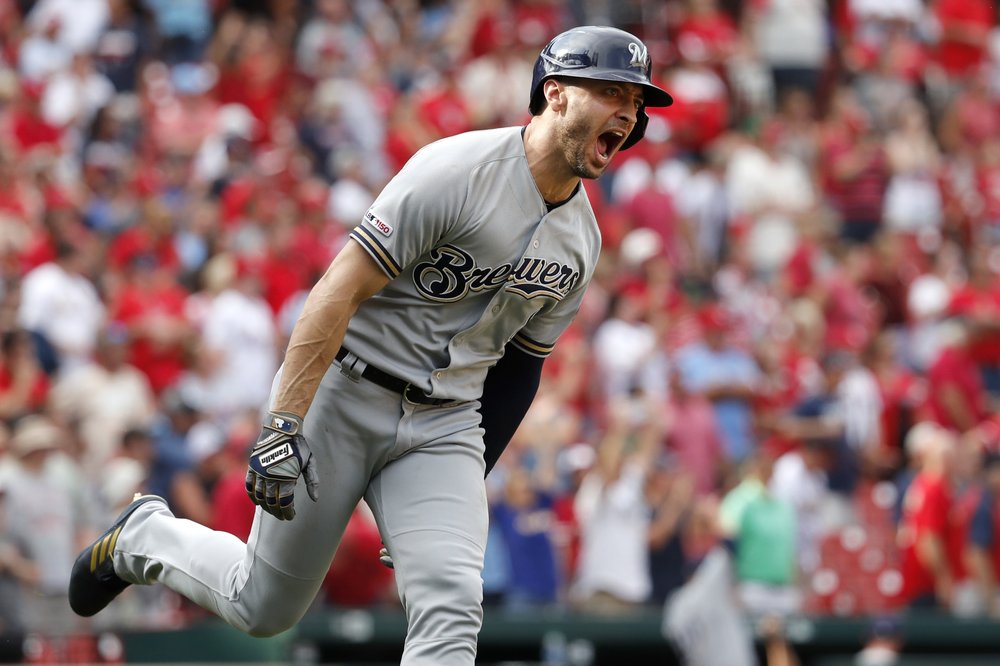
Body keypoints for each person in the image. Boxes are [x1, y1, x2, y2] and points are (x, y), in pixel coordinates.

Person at [68, 26, 673, 665]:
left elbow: (522, 370)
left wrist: (467, 475)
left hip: (447, 423)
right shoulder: (456, 170)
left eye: (635, 104)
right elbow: (337, 292)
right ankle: (145, 536)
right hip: (346, 391)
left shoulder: (583, 241)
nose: (628, 114)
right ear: (554, 92)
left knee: (452, 605)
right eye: (611, 92)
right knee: (263, 605)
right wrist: (283, 422)